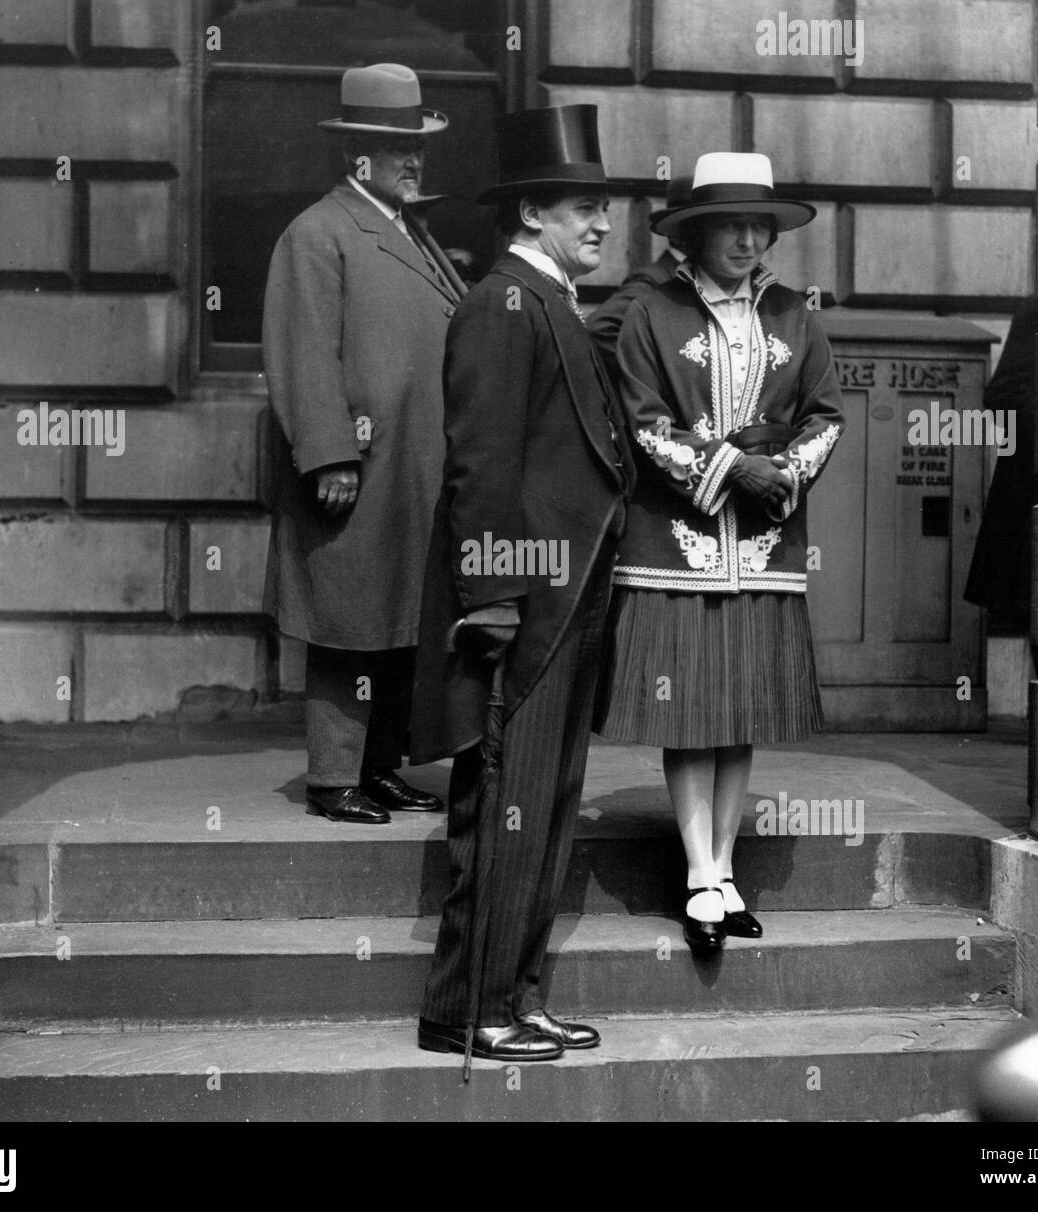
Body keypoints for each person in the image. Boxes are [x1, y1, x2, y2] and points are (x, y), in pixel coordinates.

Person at [410, 105, 635, 1063]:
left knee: (542, 809)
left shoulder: (549, 304)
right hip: (526, 609)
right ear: (533, 212)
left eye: (603, 209)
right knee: (505, 810)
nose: (601, 225)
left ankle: (518, 998)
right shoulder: (501, 304)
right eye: (583, 207)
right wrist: (491, 598)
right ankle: (468, 1012)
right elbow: (480, 465)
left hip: (569, 598)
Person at [594, 152, 844, 953]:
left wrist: (789, 470)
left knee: (738, 717)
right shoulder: (652, 314)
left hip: (765, 546)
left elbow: (826, 414)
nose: (746, 239)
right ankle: (699, 870)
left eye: (759, 225)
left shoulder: (796, 316)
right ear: (695, 233)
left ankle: (725, 868)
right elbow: (643, 423)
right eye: (730, 225)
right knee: (689, 711)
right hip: (676, 542)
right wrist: (733, 467)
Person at [262, 64, 466, 825]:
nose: (413, 159)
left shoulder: (404, 227)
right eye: (395, 147)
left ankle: (379, 767)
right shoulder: (318, 233)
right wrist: (328, 455)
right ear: (355, 153)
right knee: (347, 621)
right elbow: (301, 351)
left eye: (417, 146)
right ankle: (332, 777)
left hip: (414, 468)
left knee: (397, 621)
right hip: (359, 467)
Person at [587, 173, 693, 381]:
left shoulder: (696, 280)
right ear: (674, 232)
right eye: (699, 225)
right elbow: (598, 330)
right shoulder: (653, 280)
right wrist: (655, 379)